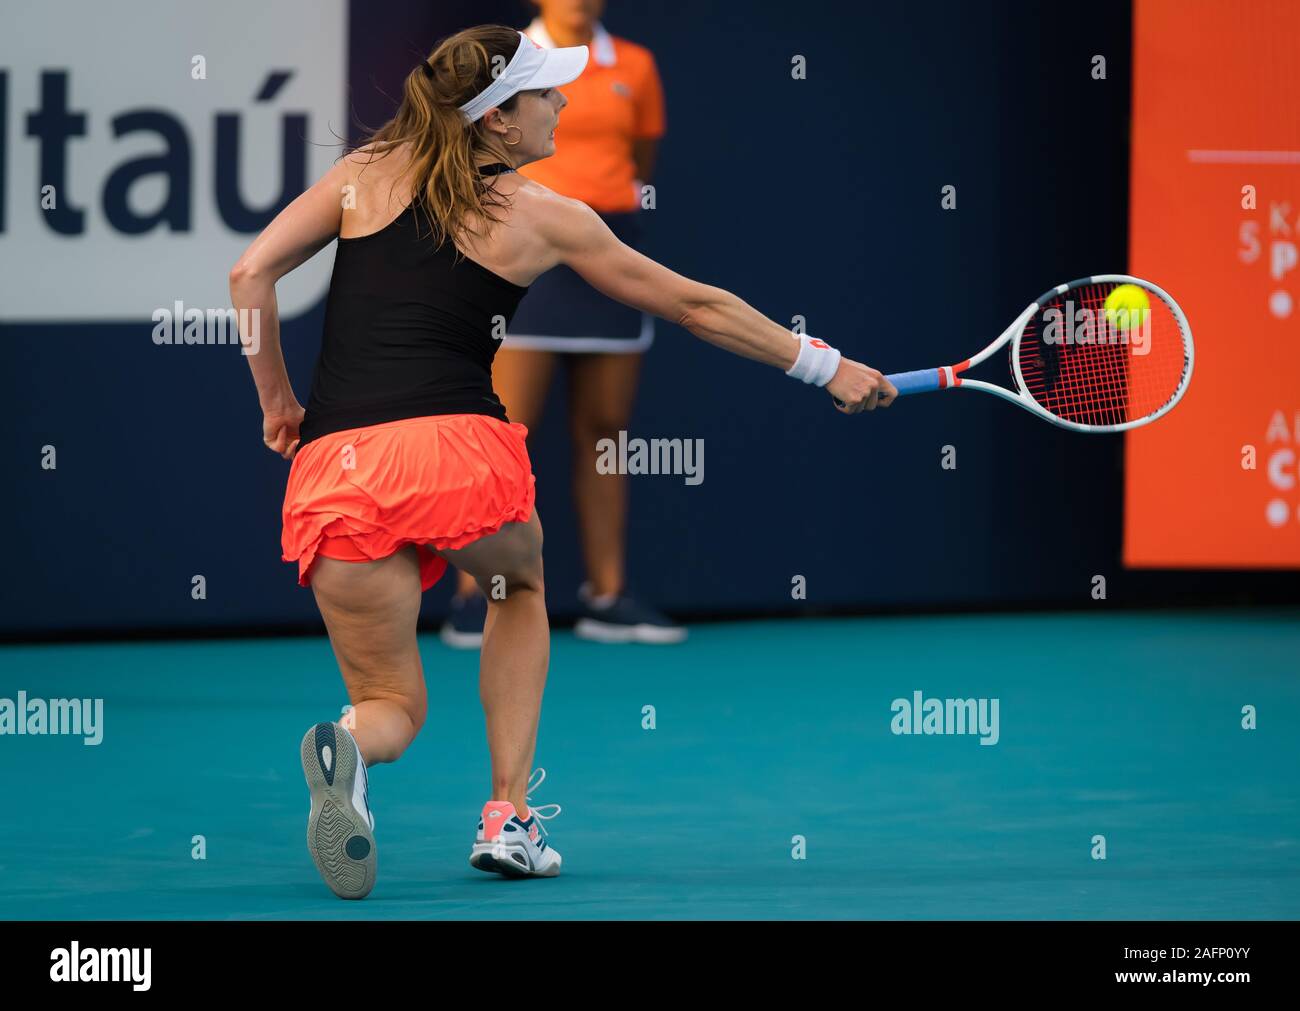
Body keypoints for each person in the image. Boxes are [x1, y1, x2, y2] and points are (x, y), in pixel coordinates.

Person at [229, 25, 895, 900]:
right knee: (519, 586)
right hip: (454, 454)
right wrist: (825, 365)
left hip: (334, 470)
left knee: (392, 702)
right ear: (499, 120)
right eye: (547, 93)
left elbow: (249, 275)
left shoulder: (362, 174)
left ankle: (350, 743)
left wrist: (278, 404)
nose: (564, 103)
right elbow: (694, 306)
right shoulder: (547, 215)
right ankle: (508, 816)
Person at [440, 0, 678, 649]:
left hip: (605, 247)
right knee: (502, 431)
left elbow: (640, 161)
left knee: (607, 432)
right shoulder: (506, 59)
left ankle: (608, 596)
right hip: (525, 247)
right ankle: (476, 596)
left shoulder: (637, 66)